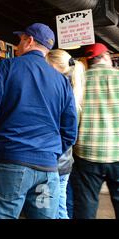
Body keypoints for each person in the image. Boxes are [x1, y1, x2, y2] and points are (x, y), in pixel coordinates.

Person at [0, 23, 78, 219]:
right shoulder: (62, 82)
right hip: (48, 171)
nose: (17, 46)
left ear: (29, 40)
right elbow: (70, 130)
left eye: (20, 40)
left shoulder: (7, 67)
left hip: (10, 161)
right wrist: (52, 152)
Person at [72, 43, 119, 219]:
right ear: (106, 56)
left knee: (85, 206)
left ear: (89, 60)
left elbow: (72, 118)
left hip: (87, 153)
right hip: (117, 153)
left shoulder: (79, 81)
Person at [46, 49, 86, 219]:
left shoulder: (60, 95)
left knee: (49, 208)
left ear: (55, 67)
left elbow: (67, 134)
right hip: (64, 162)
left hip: (54, 162)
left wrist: (52, 152)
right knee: (59, 206)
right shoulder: (73, 94)